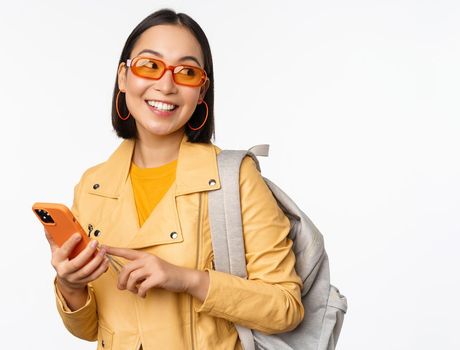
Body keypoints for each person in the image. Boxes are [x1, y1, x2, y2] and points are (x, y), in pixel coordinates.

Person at [44, 9, 304, 350]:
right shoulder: (93, 186)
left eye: (186, 72)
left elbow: (286, 307)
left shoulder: (234, 177)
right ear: (123, 77)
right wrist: (70, 285)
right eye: (149, 66)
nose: (166, 85)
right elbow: (92, 329)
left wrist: (187, 279)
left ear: (201, 91)